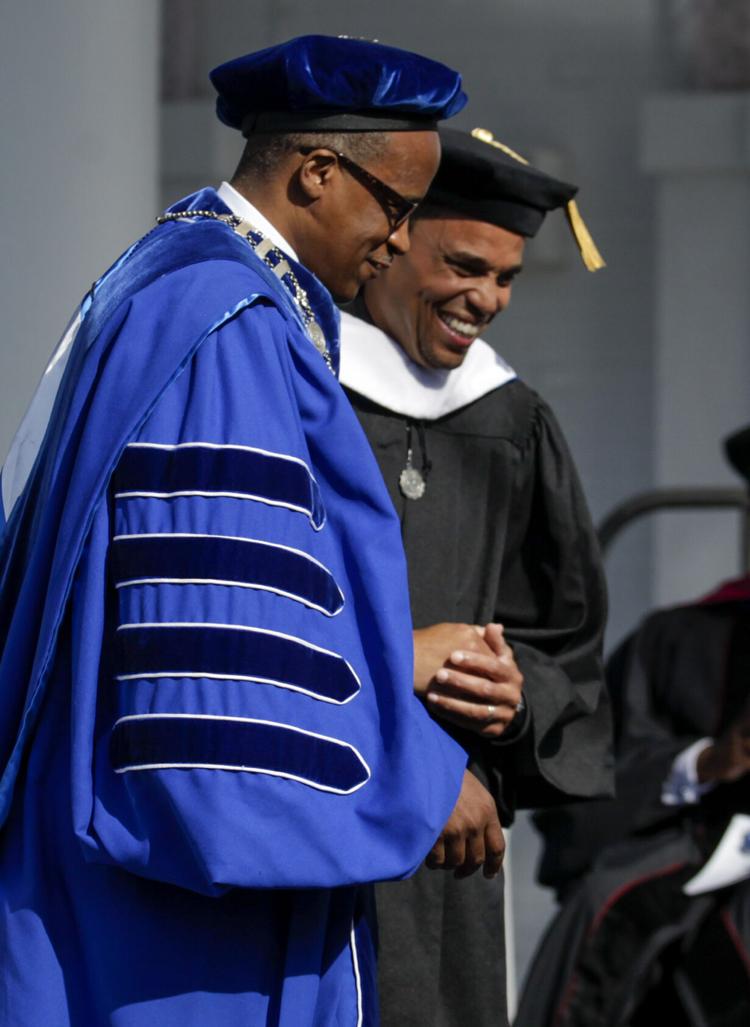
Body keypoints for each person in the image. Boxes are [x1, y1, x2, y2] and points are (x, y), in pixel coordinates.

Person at [0, 36, 505, 1026]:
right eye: (395, 207)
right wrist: (411, 771)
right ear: (318, 172)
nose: (402, 242)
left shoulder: (176, 275)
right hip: (170, 927)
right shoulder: (229, 321)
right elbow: (218, 662)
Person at [339, 126, 613, 1027]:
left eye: (506, 278)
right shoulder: (297, 389)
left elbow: (561, 636)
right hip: (318, 804)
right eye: (465, 264)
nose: (487, 298)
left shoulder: (509, 418)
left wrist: (516, 696)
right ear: (392, 236)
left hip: (451, 846)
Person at [515, 425, 750, 1027]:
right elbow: (583, 781)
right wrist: (703, 763)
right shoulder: (681, 641)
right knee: (608, 906)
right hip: (698, 864)